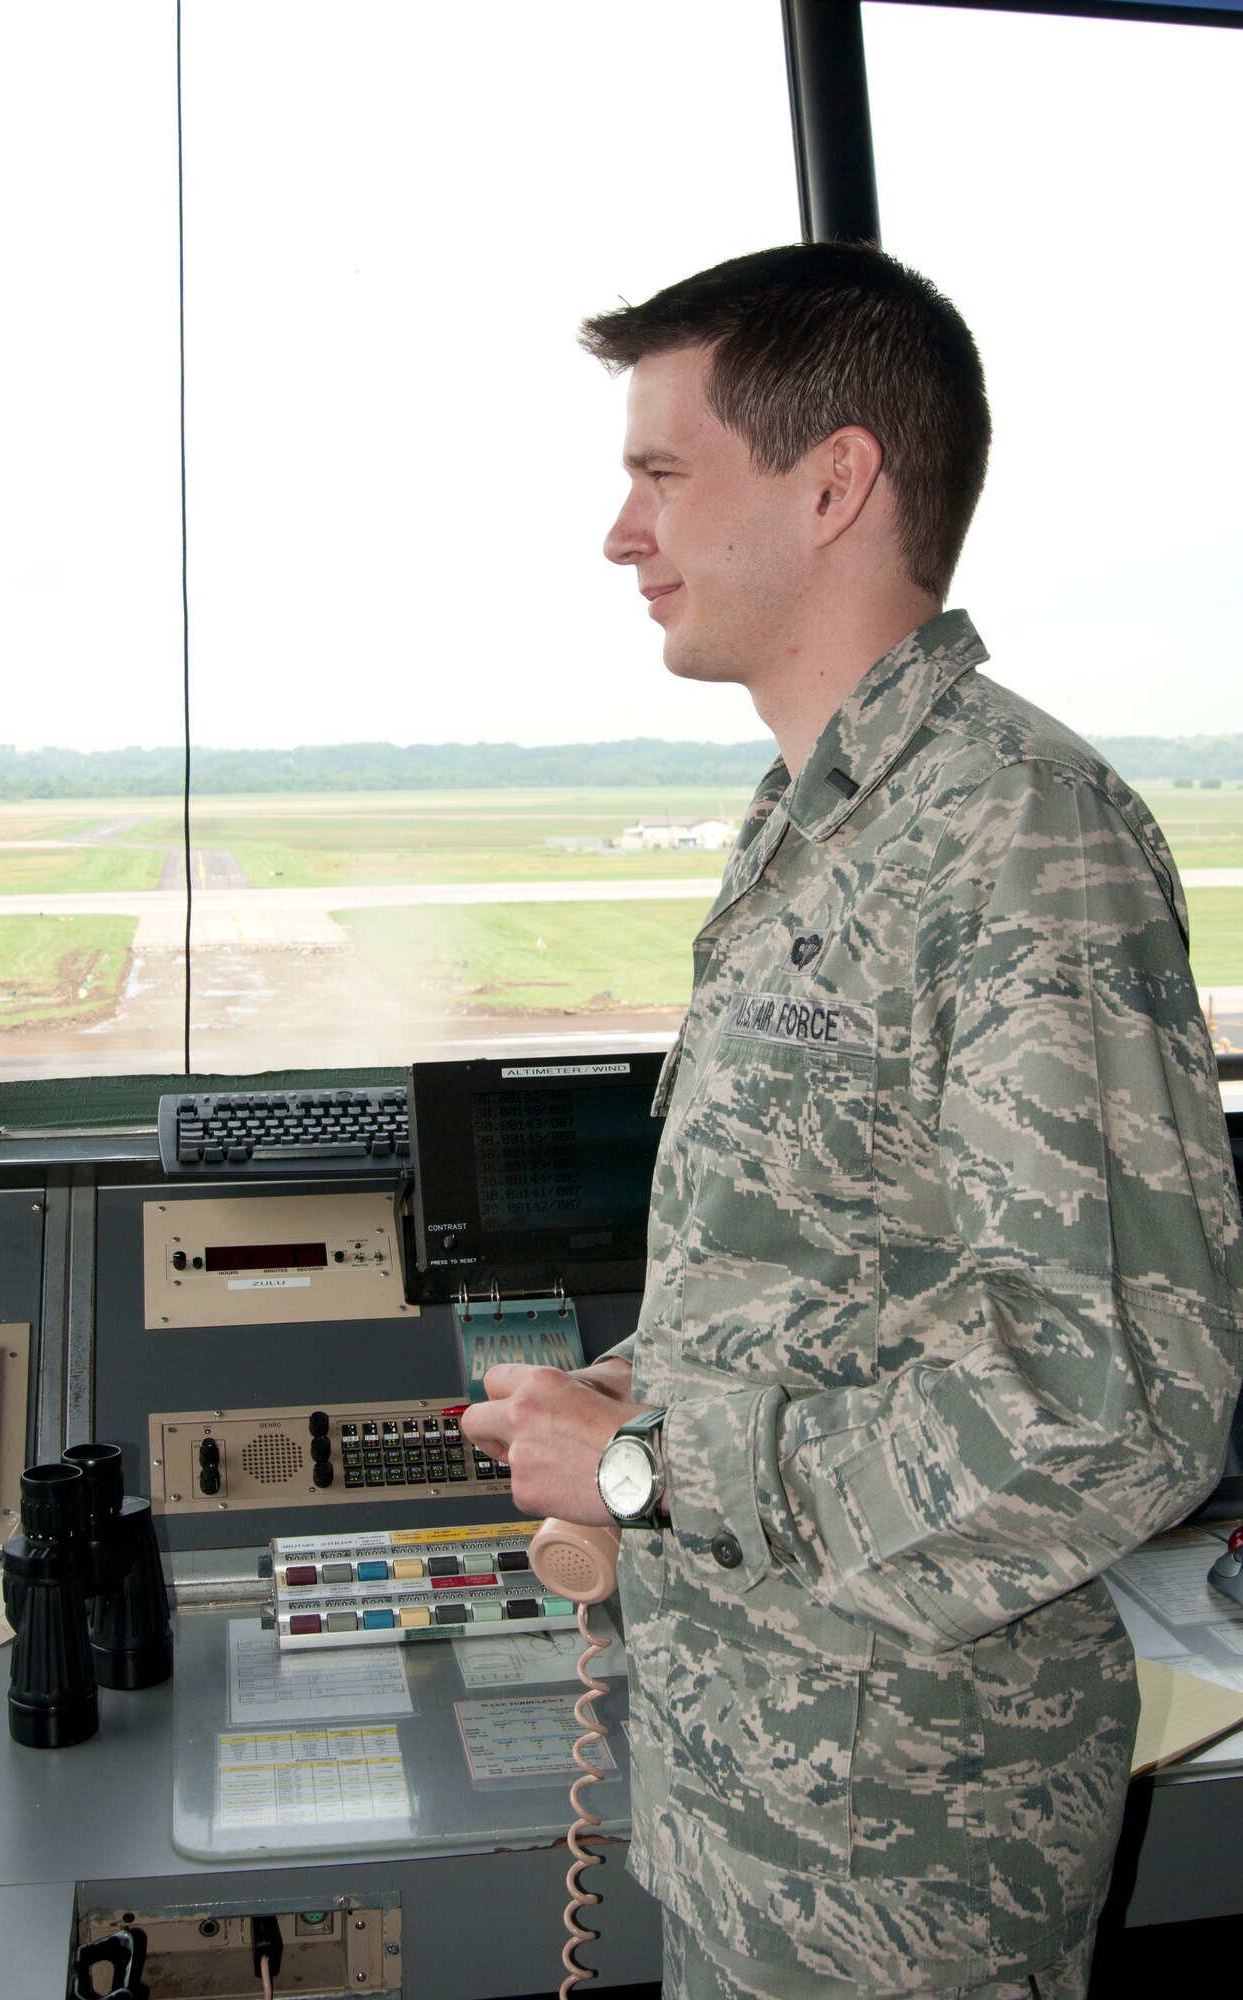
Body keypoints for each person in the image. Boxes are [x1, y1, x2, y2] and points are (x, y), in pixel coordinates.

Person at [459, 243, 1242, 2000]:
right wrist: (635, 1388)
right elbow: (818, 1270)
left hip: (907, 1854)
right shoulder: (814, 823)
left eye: (663, 473)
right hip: (753, 1798)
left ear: (834, 483)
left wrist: (654, 1468)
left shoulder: (1021, 841)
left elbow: (1112, 1404)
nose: (620, 532)